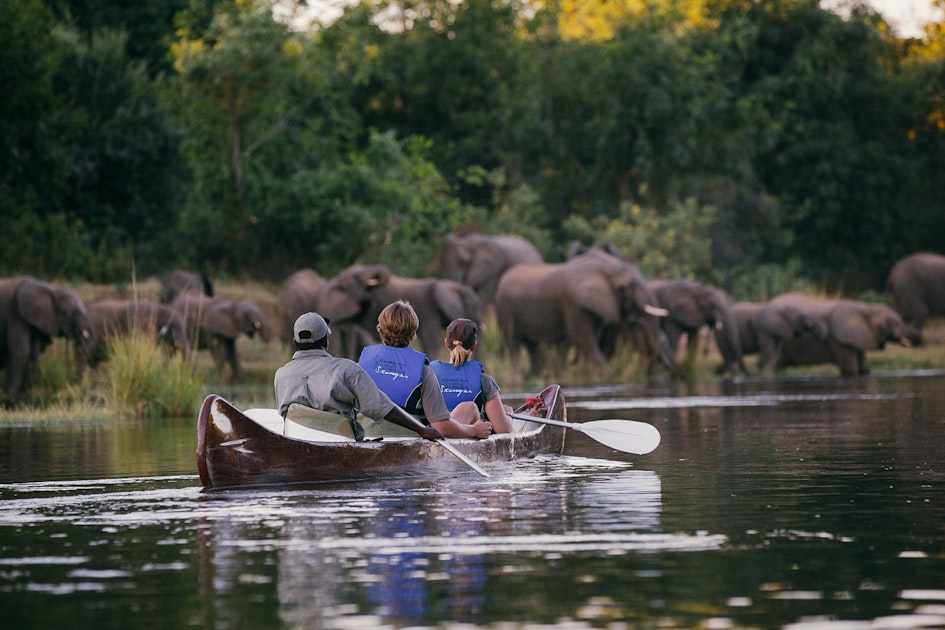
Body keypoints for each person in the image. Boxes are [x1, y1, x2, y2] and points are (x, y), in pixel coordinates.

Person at [274, 312, 442, 443]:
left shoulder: (280, 375)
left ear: (295, 342)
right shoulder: (346, 369)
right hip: (341, 445)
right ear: (326, 340)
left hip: (298, 443)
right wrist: (421, 429)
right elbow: (382, 408)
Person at [358, 301, 492, 439]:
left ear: (379, 328)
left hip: (365, 436)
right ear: (414, 333)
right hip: (407, 441)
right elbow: (441, 427)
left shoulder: (361, 365)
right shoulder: (424, 372)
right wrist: (474, 430)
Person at [429, 318, 514, 434]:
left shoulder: (429, 375)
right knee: (470, 408)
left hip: (433, 435)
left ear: (446, 344)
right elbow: (504, 432)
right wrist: (508, 415)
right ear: (474, 346)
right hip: (460, 440)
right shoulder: (485, 382)